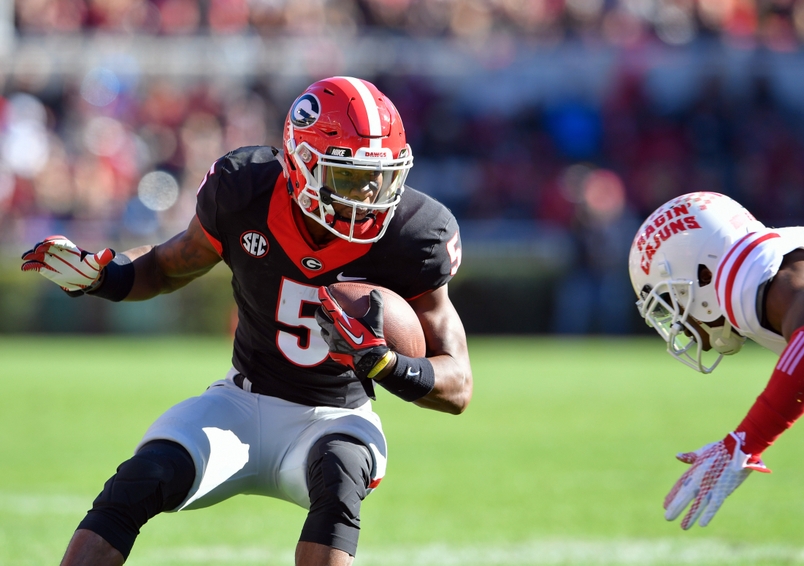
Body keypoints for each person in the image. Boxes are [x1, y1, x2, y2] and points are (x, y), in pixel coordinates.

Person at [21, 76, 473, 566]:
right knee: (137, 482)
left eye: (380, 178)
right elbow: (167, 265)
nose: (369, 196)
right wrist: (103, 276)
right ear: (301, 165)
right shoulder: (245, 190)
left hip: (337, 417)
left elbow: (458, 385)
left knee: (340, 477)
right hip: (240, 402)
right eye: (348, 178)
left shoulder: (414, 232)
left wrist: (385, 365)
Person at [628, 191, 804, 565]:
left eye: (674, 300)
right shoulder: (763, 256)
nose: (680, 325)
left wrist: (745, 441)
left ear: (703, 275)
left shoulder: (744, 280)